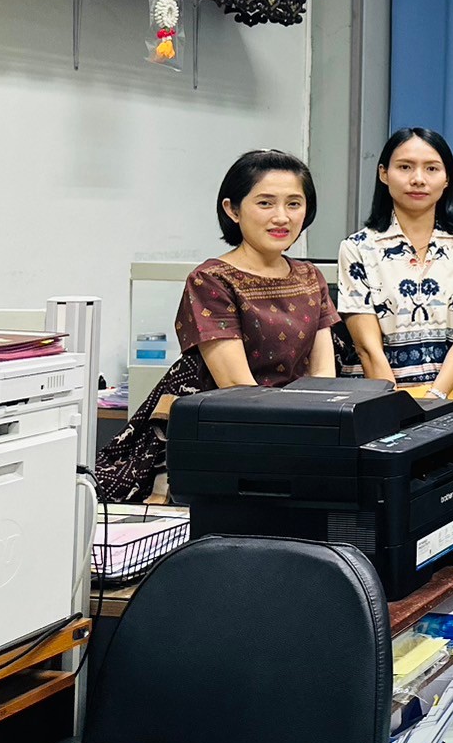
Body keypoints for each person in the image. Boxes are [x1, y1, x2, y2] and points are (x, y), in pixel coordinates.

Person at [95, 150, 339, 502]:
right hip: (217, 437)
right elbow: (240, 392)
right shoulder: (211, 280)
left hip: (294, 433)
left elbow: (323, 378)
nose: (282, 217)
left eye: (294, 203)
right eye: (265, 203)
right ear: (232, 209)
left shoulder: (309, 276)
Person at [337, 127, 453, 405]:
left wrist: (435, 399)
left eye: (432, 169)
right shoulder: (357, 248)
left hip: (451, 399)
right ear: (384, 174)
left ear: (447, 179)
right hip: (377, 401)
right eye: (405, 167)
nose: (418, 179)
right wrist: (398, 409)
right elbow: (367, 348)